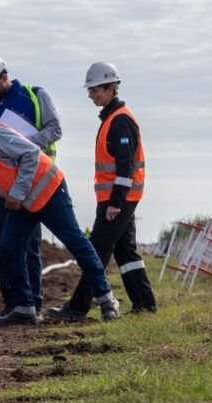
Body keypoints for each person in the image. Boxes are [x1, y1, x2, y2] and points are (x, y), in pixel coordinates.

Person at [0, 120, 120, 325]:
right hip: (25, 204)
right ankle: (24, 307)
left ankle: (107, 299)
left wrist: (17, 193)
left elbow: (31, 153)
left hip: (50, 192)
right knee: (8, 248)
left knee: (75, 242)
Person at [48, 62, 157, 320]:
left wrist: (115, 202)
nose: (91, 95)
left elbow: (125, 166)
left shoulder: (120, 121)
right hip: (118, 198)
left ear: (110, 89)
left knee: (96, 250)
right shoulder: (112, 118)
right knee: (125, 252)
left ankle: (78, 307)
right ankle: (145, 304)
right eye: (90, 90)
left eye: (95, 90)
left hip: (118, 199)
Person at [0, 54, 63, 317]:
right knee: (2, 246)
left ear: (3, 76)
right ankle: (13, 303)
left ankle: (33, 304)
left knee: (29, 246)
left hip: (31, 183)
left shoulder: (35, 96)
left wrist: (25, 146)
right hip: (0, 187)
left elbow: (55, 129)